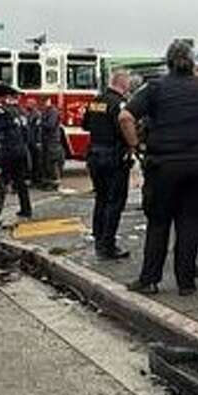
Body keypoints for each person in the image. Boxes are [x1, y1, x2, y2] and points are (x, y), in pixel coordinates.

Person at [119, 40, 198, 296]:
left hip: (163, 166)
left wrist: (136, 145)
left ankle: (150, 280)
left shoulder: (155, 88)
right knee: (191, 223)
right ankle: (186, 283)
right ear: (192, 62)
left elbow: (125, 117)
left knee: (159, 223)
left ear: (168, 61)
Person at [82, 69, 133, 260]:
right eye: (128, 84)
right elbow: (124, 128)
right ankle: (108, 245)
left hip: (94, 155)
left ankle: (98, 239)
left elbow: (85, 125)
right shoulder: (119, 103)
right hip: (113, 156)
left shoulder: (96, 101)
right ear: (123, 84)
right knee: (115, 201)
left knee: (101, 198)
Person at [0, 94, 32, 218]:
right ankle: (26, 209)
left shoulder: (5, 113)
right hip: (21, 150)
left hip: (8, 151)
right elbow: (28, 133)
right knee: (21, 183)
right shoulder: (22, 112)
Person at [39, 97, 64, 191]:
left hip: (52, 140)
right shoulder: (46, 111)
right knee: (45, 162)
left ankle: (55, 184)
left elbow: (51, 124)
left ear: (48, 101)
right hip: (46, 140)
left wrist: (41, 123)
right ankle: (48, 183)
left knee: (52, 162)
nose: (43, 104)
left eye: (44, 102)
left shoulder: (53, 111)